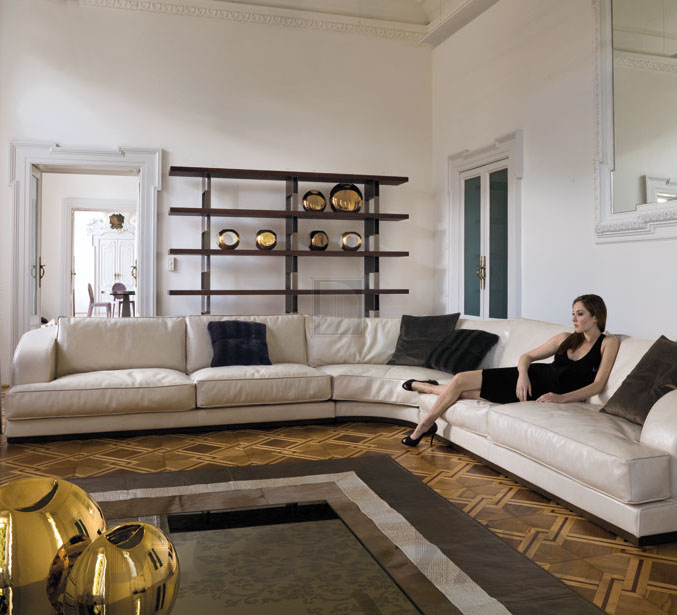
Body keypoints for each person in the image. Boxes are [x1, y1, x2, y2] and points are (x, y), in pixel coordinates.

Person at [401, 294, 620, 447]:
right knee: (459, 380)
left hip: (540, 393)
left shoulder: (608, 343)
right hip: (527, 379)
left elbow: (597, 385)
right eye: (573, 314)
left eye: (580, 314)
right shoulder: (565, 338)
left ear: (596, 317)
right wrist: (523, 376)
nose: (573, 319)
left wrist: (562, 398)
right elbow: (527, 357)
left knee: (465, 393)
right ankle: (424, 426)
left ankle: (428, 387)